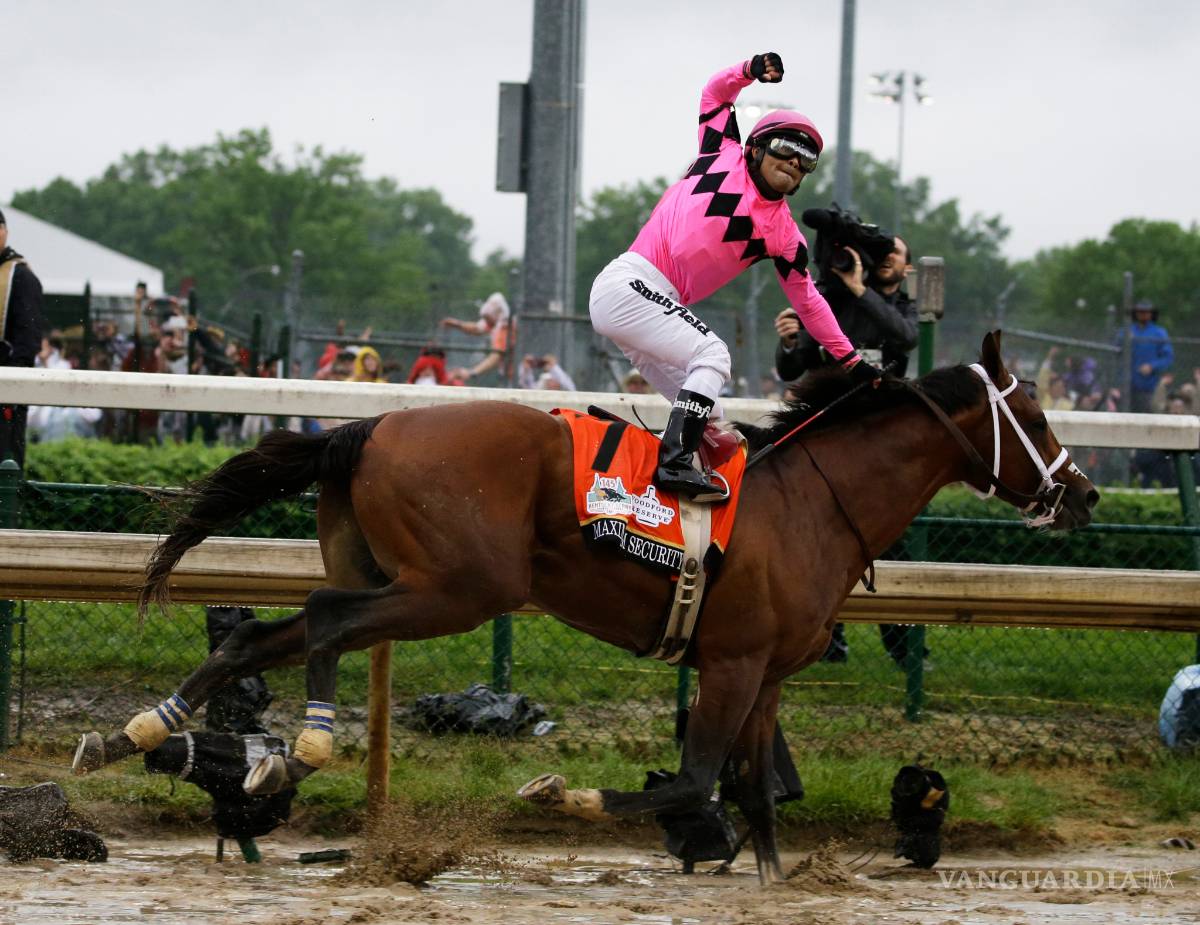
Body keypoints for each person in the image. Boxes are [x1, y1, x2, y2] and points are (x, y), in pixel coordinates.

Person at [587, 53, 876, 497]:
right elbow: (714, 94)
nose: (795, 163)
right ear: (756, 147)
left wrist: (849, 359)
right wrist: (748, 70)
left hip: (648, 304)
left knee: (715, 425)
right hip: (630, 283)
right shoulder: (720, 151)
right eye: (787, 149)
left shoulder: (785, 237)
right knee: (714, 356)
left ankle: (672, 509)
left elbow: (809, 304)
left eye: (807, 161)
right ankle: (673, 464)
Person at [774, 234, 916, 382]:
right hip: (834, 399)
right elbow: (789, 373)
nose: (888, 255)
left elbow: (908, 337)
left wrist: (861, 290)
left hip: (885, 399)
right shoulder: (832, 303)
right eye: (883, 251)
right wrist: (789, 343)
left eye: (895, 251)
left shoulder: (907, 308)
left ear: (908, 269)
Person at [0, 208, 46, 468]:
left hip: (6, 386)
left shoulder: (21, 277)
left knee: (5, 465)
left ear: (4, 232)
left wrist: (12, 386)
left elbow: (28, 342)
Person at [441, 292, 513, 383]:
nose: (486, 322)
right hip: (509, 376)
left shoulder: (504, 328)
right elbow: (476, 328)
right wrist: (457, 324)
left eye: (488, 318)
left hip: (515, 378)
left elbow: (496, 356)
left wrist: (471, 372)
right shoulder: (495, 323)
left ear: (498, 314)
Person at [1125, 299, 1173, 413]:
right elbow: (1117, 350)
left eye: (1146, 312)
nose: (1143, 314)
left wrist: (1152, 366)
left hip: (1149, 385)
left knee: (1146, 413)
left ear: (1151, 314)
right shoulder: (1128, 331)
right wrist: (1126, 339)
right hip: (1127, 384)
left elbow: (1168, 357)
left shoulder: (1159, 333)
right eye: (1140, 311)